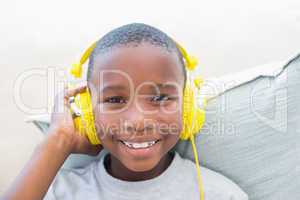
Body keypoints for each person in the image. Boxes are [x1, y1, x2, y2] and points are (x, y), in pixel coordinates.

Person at [2, 23, 248, 200]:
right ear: (88, 113)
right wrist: (58, 141)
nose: (138, 121)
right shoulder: (57, 192)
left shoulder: (222, 194)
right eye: (116, 99)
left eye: (160, 97)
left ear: (188, 107)